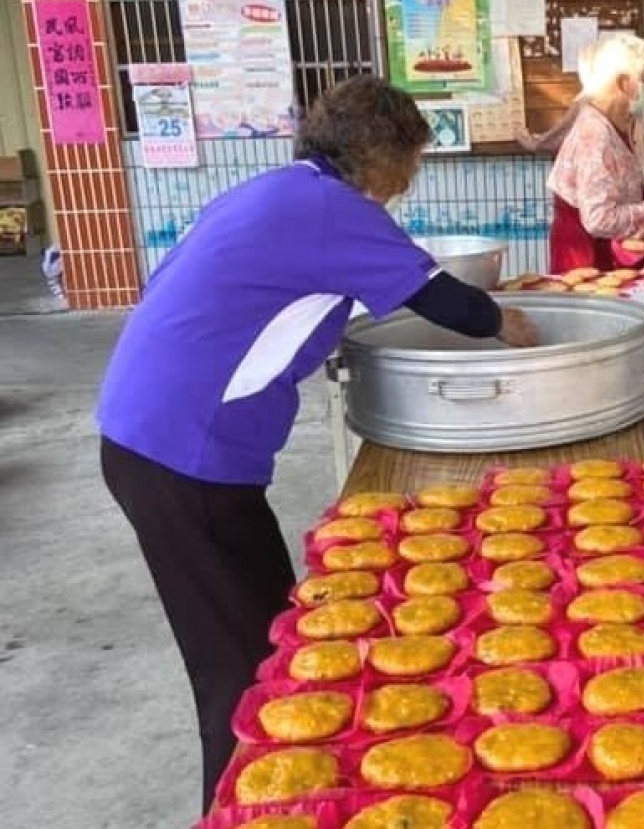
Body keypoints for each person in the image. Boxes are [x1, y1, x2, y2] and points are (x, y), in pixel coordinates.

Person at [95, 75, 538, 811]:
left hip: (157, 438)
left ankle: (297, 799)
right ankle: (241, 808)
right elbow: (445, 299)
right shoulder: (330, 207)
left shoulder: (282, 191)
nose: (411, 182)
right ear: (380, 155)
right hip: (183, 454)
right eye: (413, 162)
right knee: (242, 674)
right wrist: (512, 328)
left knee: (281, 638)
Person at [545, 34, 644, 273]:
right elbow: (599, 219)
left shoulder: (619, 124)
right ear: (624, 82)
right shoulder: (595, 137)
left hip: (608, 251)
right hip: (586, 258)